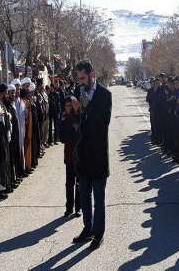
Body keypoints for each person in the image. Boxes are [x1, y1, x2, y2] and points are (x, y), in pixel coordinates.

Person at [73, 60, 112, 251]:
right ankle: (87, 228)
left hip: (98, 156)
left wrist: (87, 107)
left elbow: (104, 122)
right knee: (84, 196)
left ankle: (99, 234)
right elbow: (74, 123)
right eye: (78, 78)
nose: (80, 82)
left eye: (83, 78)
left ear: (91, 74)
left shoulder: (105, 95)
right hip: (82, 156)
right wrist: (75, 111)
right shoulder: (77, 93)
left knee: (99, 197)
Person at [59, 96, 81, 218]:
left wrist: (73, 123)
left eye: (70, 105)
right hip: (68, 155)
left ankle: (78, 208)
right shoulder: (63, 118)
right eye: (66, 105)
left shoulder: (78, 116)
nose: (68, 108)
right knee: (69, 183)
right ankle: (69, 208)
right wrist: (65, 123)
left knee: (79, 183)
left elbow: (80, 133)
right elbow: (61, 138)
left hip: (78, 155)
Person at [5, 84, 25, 182]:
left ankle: (18, 175)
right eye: (11, 92)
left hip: (17, 133)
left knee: (17, 154)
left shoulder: (13, 103)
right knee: (12, 157)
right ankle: (13, 179)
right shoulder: (7, 105)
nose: (13, 94)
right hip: (11, 135)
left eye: (14, 92)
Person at [12, 78, 27, 176]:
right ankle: (17, 173)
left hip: (22, 131)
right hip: (14, 133)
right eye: (15, 89)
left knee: (22, 150)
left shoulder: (22, 102)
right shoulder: (11, 103)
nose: (17, 91)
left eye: (18, 89)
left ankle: (22, 170)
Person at [146, 78, 158, 144]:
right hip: (152, 110)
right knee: (153, 124)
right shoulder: (150, 90)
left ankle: (157, 138)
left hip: (158, 111)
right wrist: (151, 100)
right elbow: (147, 99)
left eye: (153, 82)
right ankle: (153, 138)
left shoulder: (158, 90)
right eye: (151, 83)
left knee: (157, 125)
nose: (152, 84)